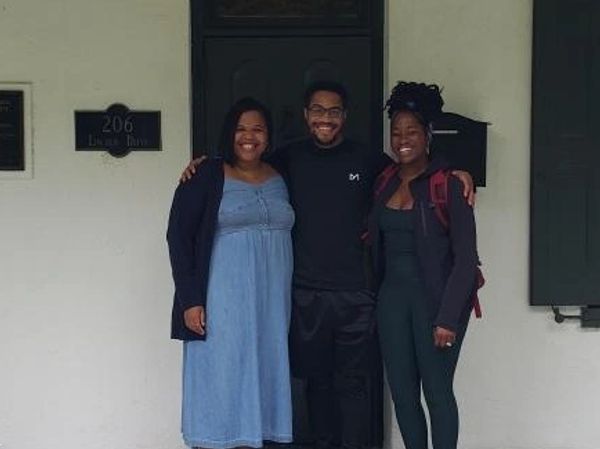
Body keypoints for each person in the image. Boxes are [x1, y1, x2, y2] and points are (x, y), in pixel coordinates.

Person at [180, 81, 475, 449]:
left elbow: (417, 165)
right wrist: (206, 163)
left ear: (344, 117)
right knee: (316, 387)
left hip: (357, 296)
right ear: (306, 115)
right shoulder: (286, 160)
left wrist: (458, 170)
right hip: (305, 296)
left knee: (356, 389)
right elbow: (245, 159)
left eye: (333, 111)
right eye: (317, 110)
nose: (325, 118)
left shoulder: (371, 163)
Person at [167, 97, 295, 449]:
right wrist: (190, 301)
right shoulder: (206, 174)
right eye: (241, 129)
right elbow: (178, 237)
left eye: (257, 129)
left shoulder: (283, 174)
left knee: (264, 379)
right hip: (221, 305)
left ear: (269, 137)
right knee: (222, 379)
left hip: (271, 307)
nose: (249, 137)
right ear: (229, 134)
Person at [367, 82, 479, 449]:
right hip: (391, 303)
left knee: (437, 393)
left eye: (412, 131)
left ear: (428, 134)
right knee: (402, 394)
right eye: (396, 131)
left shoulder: (449, 185)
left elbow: (465, 261)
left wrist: (447, 318)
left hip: (436, 305)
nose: (402, 139)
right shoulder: (383, 180)